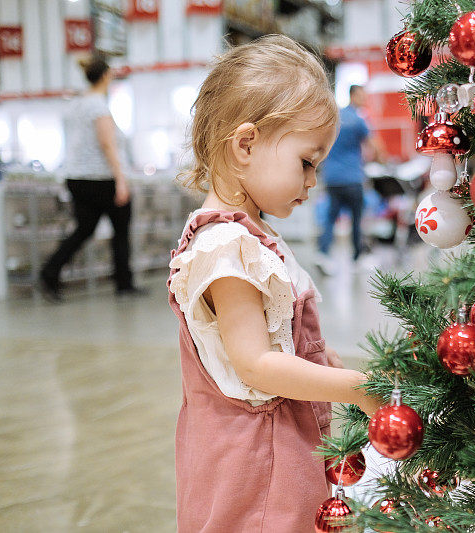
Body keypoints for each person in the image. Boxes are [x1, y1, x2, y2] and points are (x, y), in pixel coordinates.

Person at [167, 35, 383, 532]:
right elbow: (257, 364)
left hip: (280, 447)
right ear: (245, 144)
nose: (313, 182)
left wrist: (323, 360)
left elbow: (281, 338)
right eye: (306, 162)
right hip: (255, 463)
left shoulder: (253, 237)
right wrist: (354, 388)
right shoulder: (225, 247)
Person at [39, 55, 144, 302]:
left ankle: (49, 272)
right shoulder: (98, 105)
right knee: (120, 229)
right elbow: (107, 144)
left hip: (76, 177)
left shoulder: (75, 104)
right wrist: (120, 180)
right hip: (101, 178)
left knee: (84, 229)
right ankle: (123, 283)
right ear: (106, 76)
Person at [315, 84, 386, 275]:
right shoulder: (358, 119)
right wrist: (382, 161)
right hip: (352, 177)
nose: (364, 99)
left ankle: (323, 255)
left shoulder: (334, 118)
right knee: (357, 218)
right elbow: (375, 146)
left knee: (330, 217)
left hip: (332, 177)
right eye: (362, 95)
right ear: (353, 95)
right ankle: (358, 257)